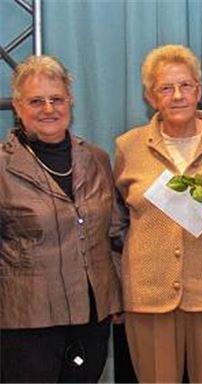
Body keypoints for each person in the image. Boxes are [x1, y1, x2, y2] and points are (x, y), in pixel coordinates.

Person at [113, 44, 202, 382]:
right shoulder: (127, 147)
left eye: (186, 85)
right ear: (150, 96)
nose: (177, 95)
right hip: (149, 298)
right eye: (165, 88)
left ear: (199, 90)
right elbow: (115, 224)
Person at [0, 55, 122, 383]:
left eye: (57, 99)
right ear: (18, 107)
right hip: (28, 320)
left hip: (92, 315)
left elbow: (113, 233)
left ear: (70, 102)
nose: (49, 109)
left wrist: (118, 296)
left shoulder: (96, 158)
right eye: (36, 101)